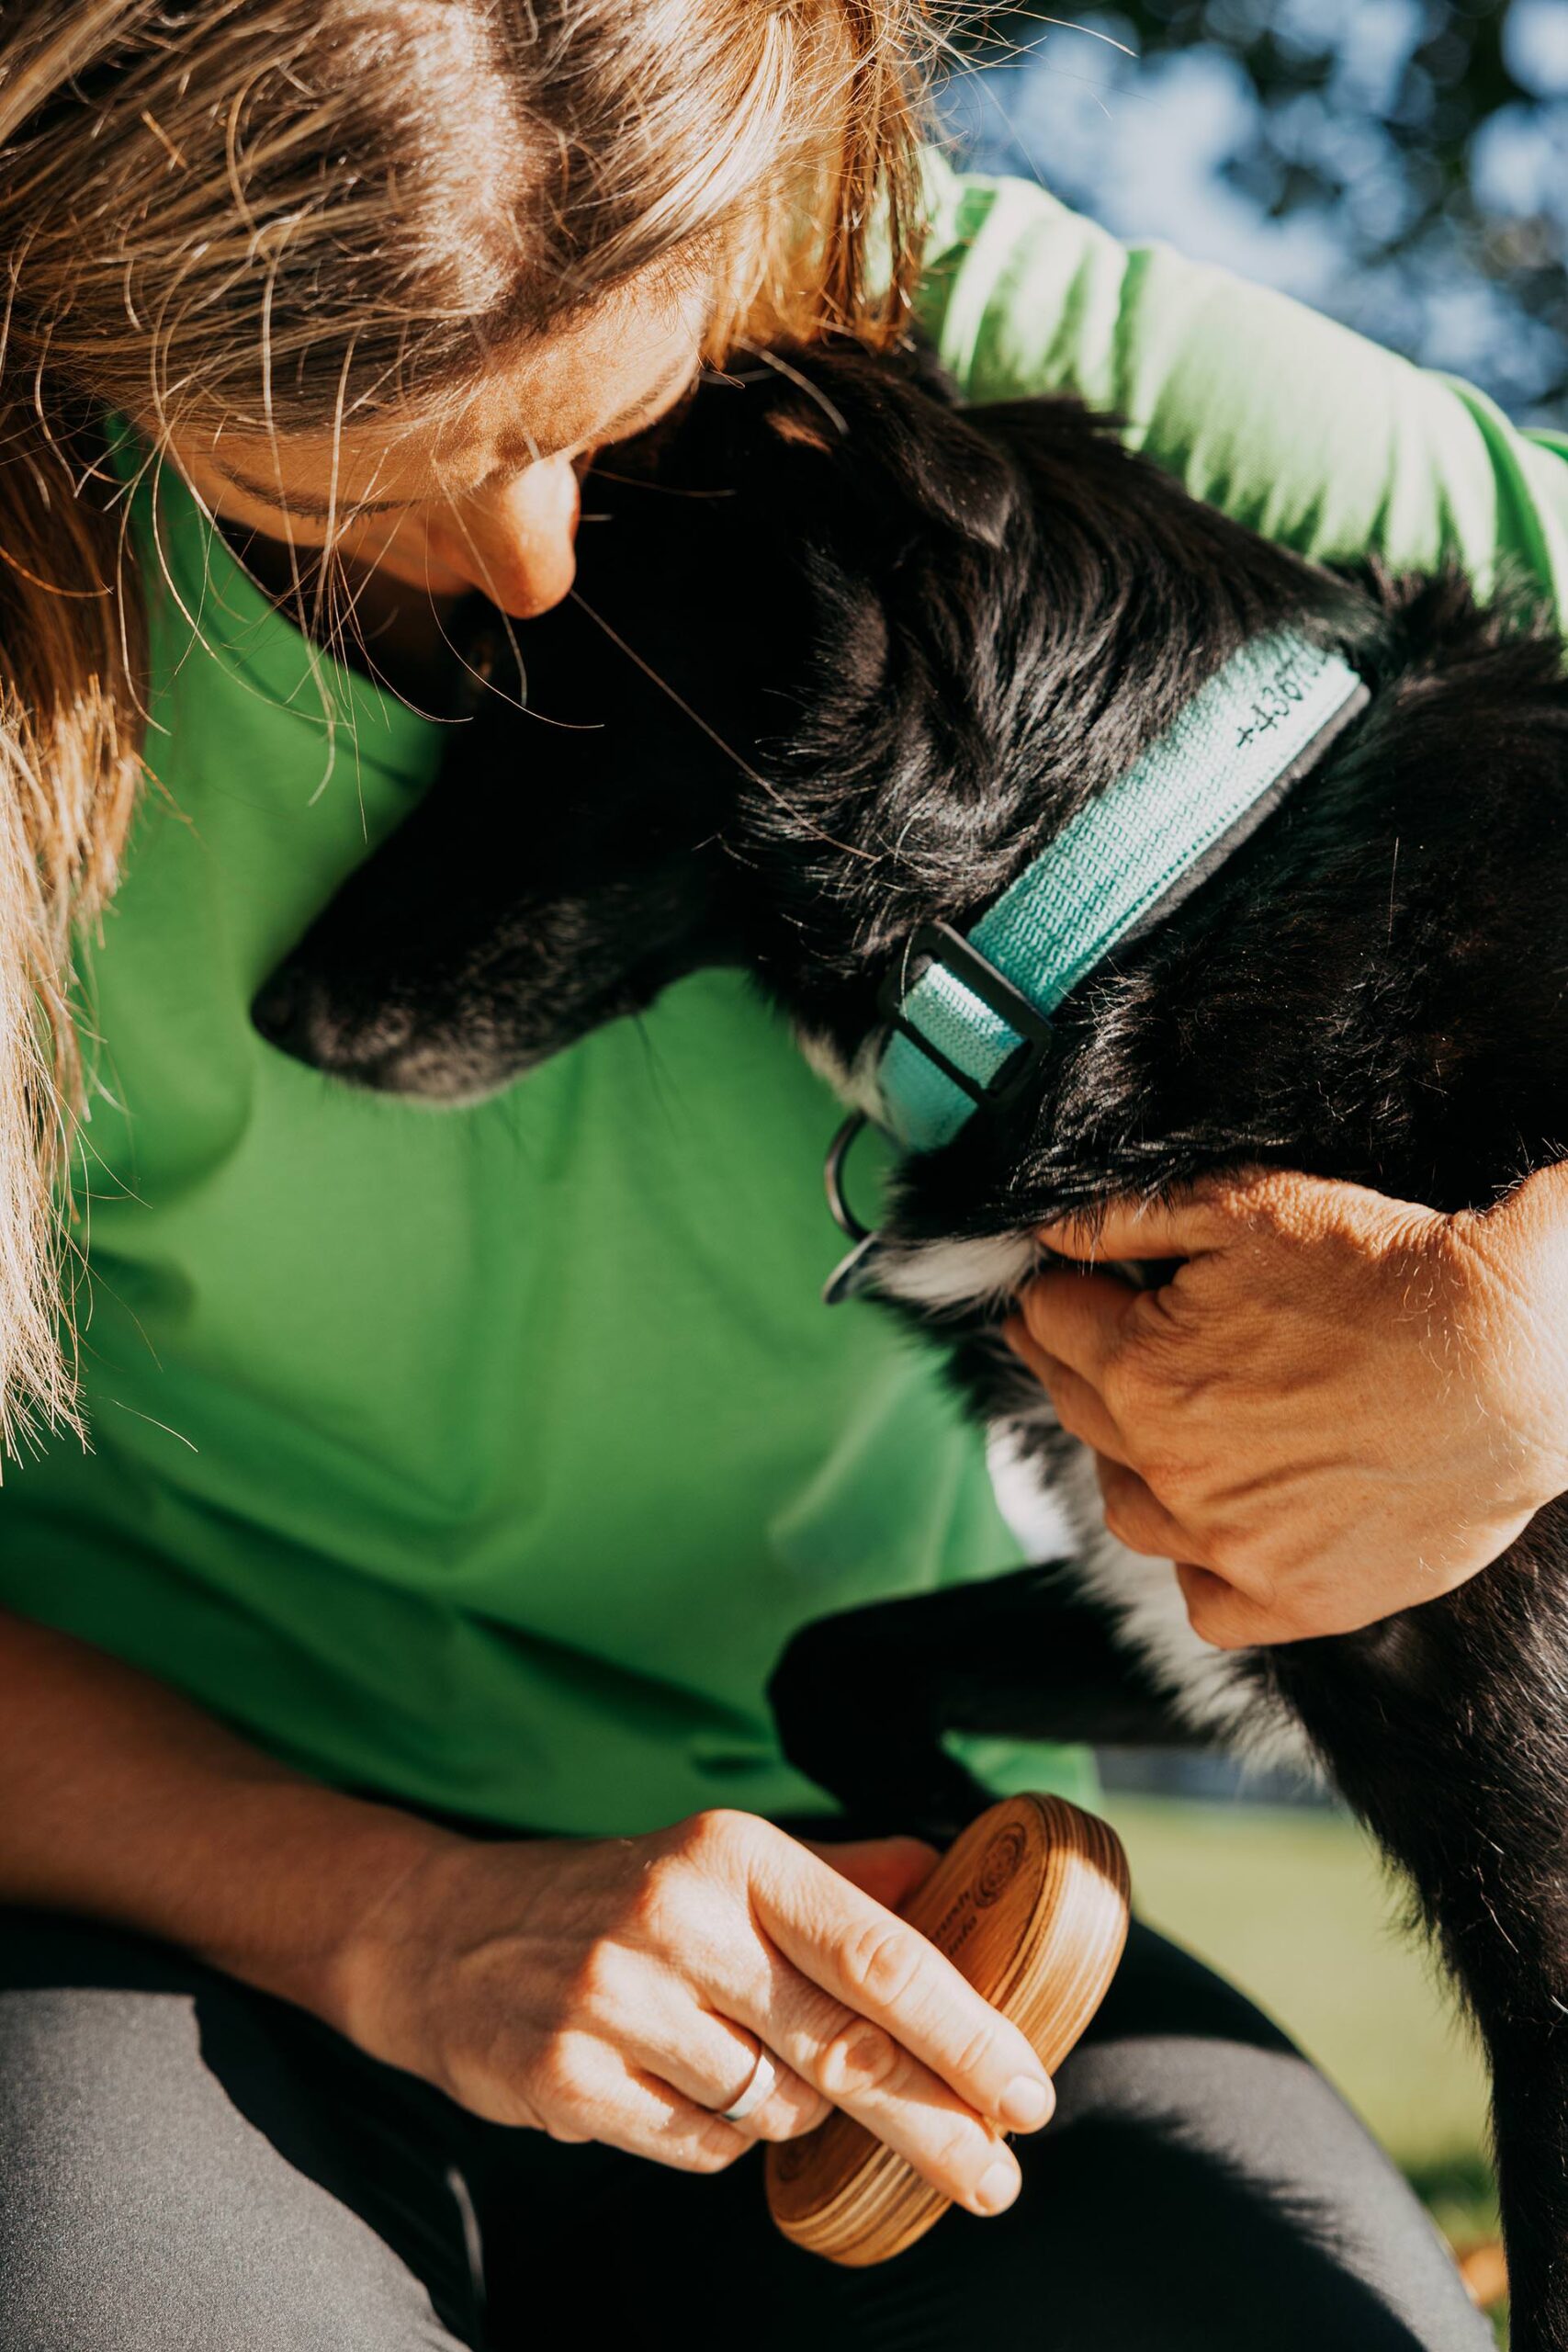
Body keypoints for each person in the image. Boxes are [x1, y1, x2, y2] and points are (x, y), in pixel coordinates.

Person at [0, 4, 1562, 2346]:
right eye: (340, 459)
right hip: (137, 1889)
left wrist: (1525, 1333)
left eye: (600, 413)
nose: (524, 556)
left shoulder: (1026, 357)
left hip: (889, 1889)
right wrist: (399, 1915)